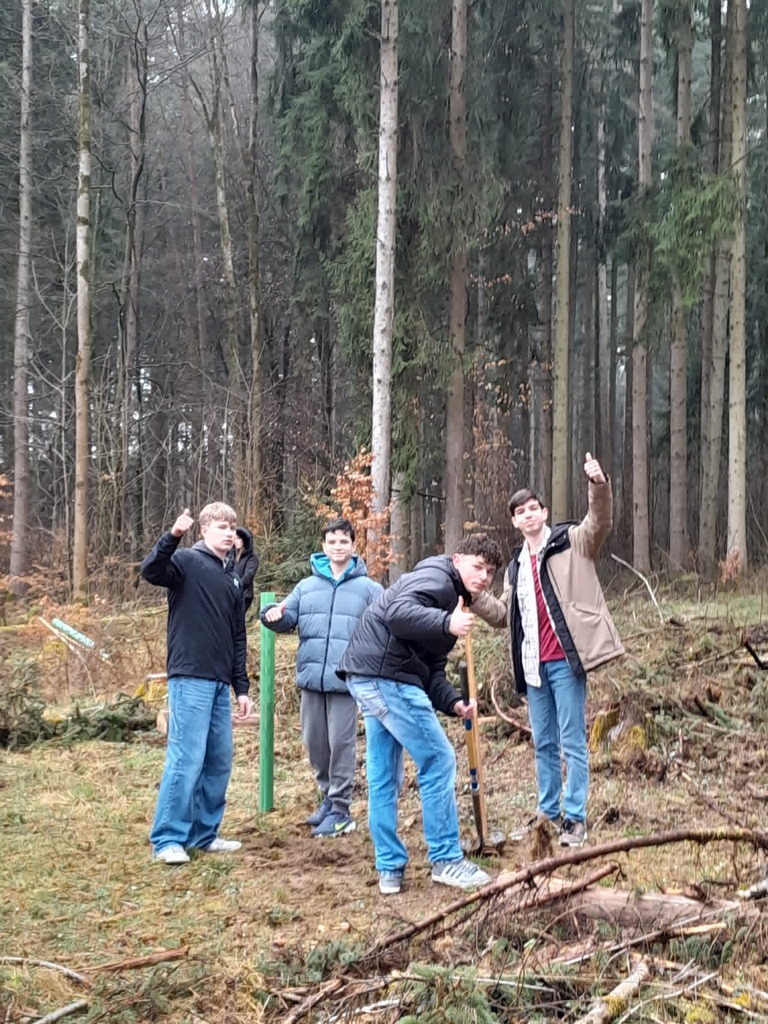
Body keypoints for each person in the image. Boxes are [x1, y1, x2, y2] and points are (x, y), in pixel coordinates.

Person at [337, 535, 503, 895]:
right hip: (385, 676)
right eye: (478, 566)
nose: (483, 577)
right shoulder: (438, 580)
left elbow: (431, 669)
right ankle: (446, 859)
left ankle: (389, 869)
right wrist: (447, 623)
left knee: (384, 776)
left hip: (374, 675)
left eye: (489, 572)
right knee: (439, 759)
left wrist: (453, 703)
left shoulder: (455, 598)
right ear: (458, 559)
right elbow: (396, 614)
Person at [473, 453, 624, 849]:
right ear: (514, 521)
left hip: (566, 662)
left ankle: (575, 818)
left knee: (572, 741)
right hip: (532, 666)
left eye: (534, 509)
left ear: (544, 512)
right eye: (520, 512)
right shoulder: (515, 567)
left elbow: (600, 523)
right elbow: (504, 614)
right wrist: (472, 597)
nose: (528, 516)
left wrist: (598, 484)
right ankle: (549, 812)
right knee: (543, 743)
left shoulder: (571, 541)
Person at [141, 503, 253, 865]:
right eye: (221, 526)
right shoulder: (186, 561)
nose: (228, 533)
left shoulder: (232, 577)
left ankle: (205, 834)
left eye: (232, 527)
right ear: (203, 530)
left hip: (221, 684)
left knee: (219, 760)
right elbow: (151, 570)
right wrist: (173, 535)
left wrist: (243, 689)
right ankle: (168, 839)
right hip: (190, 677)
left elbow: (238, 637)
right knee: (186, 758)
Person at [260, 518, 382, 837]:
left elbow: (385, 626)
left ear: (354, 546)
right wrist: (272, 616)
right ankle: (328, 798)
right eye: (332, 541)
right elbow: (286, 619)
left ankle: (342, 810)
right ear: (324, 546)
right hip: (311, 678)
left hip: (346, 680)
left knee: (341, 744)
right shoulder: (306, 587)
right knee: (315, 743)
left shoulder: (369, 589)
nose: (338, 546)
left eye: (344, 541)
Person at [233, 526, 259, 613]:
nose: (236, 541)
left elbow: (248, 576)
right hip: (232, 594)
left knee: (238, 621)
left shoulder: (251, 558)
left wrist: (237, 588)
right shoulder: (231, 557)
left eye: (239, 539)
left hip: (244, 595)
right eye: (235, 539)